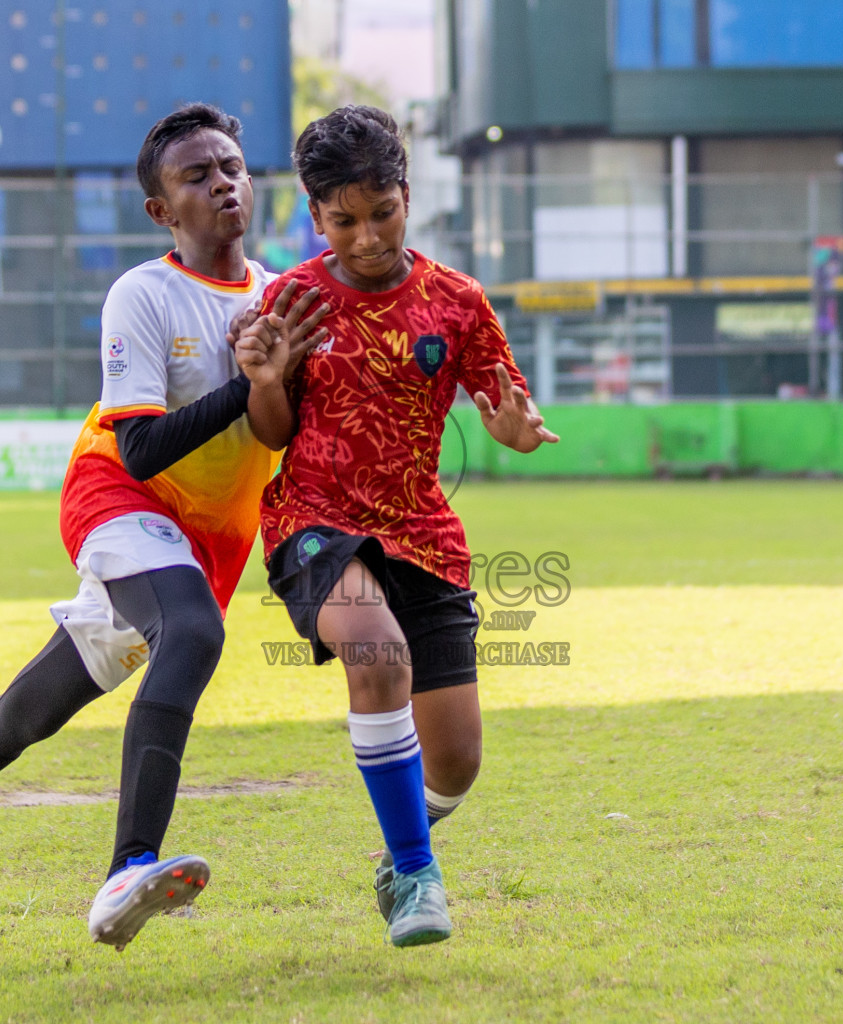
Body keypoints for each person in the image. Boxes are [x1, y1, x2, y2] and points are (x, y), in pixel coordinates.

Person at [0, 103, 328, 953]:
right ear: (161, 211)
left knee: (27, 716)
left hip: (208, 538)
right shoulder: (144, 293)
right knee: (196, 632)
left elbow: (277, 434)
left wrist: (273, 382)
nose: (223, 183)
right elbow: (137, 447)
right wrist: (244, 386)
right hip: (118, 495)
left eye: (233, 168)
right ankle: (130, 867)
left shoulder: (285, 297)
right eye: (197, 175)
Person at [236, 105, 559, 948]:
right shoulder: (293, 298)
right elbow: (272, 433)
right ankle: (421, 881)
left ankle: (401, 849)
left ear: (406, 197)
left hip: (422, 530)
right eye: (345, 220)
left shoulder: (457, 300)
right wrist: (267, 380)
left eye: (383, 213)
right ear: (316, 217)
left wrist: (514, 433)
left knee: (456, 763)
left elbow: (507, 406)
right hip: (313, 520)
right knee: (377, 658)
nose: (369, 236)